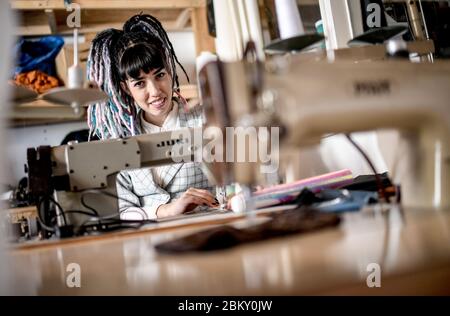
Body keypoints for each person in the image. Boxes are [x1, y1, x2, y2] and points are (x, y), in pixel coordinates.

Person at [87, 14, 217, 219]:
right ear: (126, 88)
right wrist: (165, 210)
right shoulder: (118, 139)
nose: (155, 91)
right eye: (140, 83)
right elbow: (122, 210)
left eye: (160, 75)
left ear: (170, 72)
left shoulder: (206, 120)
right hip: (146, 242)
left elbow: (235, 183)